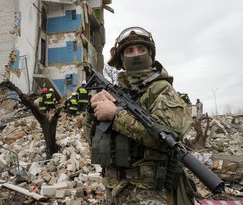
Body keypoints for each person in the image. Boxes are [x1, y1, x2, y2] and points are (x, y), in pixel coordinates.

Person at [84, 27, 196, 205]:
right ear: (121, 58)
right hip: (114, 189)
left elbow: (168, 139)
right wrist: (93, 111)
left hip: (149, 192)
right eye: (129, 50)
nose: (136, 54)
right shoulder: (116, 92)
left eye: (141, 49)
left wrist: (116, 115)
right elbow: (91, 138)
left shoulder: (162, 90)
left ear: (151, 54)